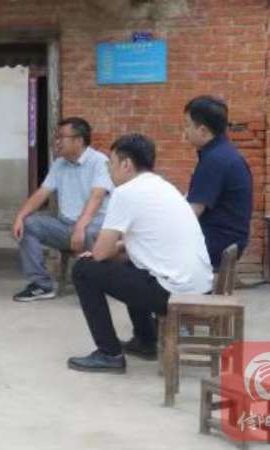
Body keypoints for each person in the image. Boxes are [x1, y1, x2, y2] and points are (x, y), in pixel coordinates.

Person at [66, 134, 214, 374]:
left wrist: (98, 255)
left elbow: (101, 252)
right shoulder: (162, 186)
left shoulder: (126, 192)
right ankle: (146, 341)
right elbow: (144, 246)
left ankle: (109, 354)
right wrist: (117, 249)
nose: (109, 170)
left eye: (111, 163)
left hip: (174, 293)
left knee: (84, 270)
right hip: (198, 286)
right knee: (131, 265)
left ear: (126, 164)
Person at [12, 117, 113, 302]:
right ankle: (41, 285)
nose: (57, 142)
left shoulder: (99, 162)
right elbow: (42, 193)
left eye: (61, 137)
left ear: (79, 140)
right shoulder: (59, 164)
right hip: (65, 226)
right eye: (56, 137)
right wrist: (20, 216)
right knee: (28, 225)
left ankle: (93, 285)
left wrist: (80, 227)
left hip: (95, 226)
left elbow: (96, 197)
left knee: (88, 232)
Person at [184, 95, 253, 269]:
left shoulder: (215, 160)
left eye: (187, 125)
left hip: (215, 245)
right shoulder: (223, 152)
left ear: (203, 130)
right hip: (226, 242)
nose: (185, 132)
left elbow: (191, 213)